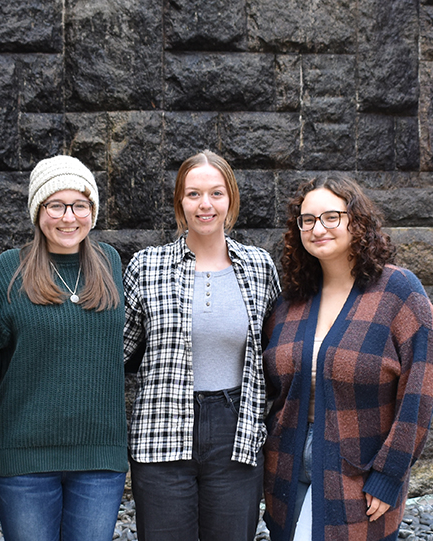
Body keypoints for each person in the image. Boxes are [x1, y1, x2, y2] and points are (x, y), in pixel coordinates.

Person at [261, 175, 433, 541]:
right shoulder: (290, 302)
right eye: (307, 220)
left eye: (331, 216)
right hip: (287, 466)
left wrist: (390, 472)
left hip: (359, 469)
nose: (318, 228)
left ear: (356, 221)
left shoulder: (397, 290)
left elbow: (422, 386)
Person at [122, 150, 281, 541]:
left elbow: (278, 352)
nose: (205, 204)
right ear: (180, 201)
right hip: (161, 428)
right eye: (193, 194)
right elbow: (116, 352)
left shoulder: (260, 267)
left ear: (231, 200)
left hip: (235, 430)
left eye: (216, 193)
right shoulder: (147, 267)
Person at [0, 155, 128, 541]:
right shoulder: (7, 269)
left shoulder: (110, 264)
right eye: (56, 205)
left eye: (80, 205)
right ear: (38, 211)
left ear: (92, 211)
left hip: (99, 460)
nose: (69, 217)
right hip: (23, 460)